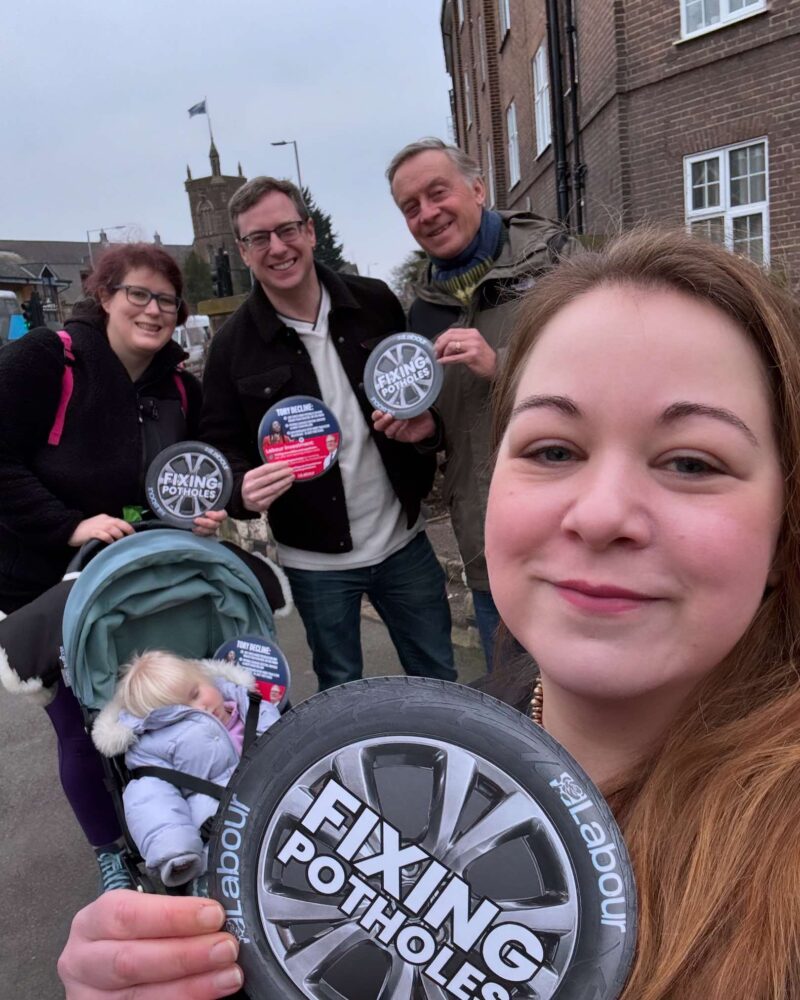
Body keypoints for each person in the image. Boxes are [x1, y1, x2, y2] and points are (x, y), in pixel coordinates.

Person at [57, 228, 800, 998]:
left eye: (691, 462)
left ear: (786, 525)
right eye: (552, 449)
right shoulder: (397, 764)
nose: (602, 512)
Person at [0, 242, 224, 893]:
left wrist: (202, 513)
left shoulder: (182, 386)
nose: (154, 310)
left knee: (156, 710)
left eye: (166, 300)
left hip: (135, 584)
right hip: (42, 587)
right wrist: (70, 525)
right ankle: (110, 853)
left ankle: (178, 826)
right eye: (138, 294)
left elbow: (193, 475)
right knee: (81, 727)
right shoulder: (49, 360)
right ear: (104, 296)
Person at [199, 176, 455, 691]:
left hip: (403, 539)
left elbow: (416, 392)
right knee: (340, 688)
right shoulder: (231, 348)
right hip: (315, 560)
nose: (277, 247)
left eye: (287, 229)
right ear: (243, 252)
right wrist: (242, 487)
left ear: (309, 232)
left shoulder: (375, 300)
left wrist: (427, 431)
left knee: (440, 676)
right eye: (258, 239)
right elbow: (221, 447)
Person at [379, 137, 574, 668]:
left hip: (573, 536)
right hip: (489, 547)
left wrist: (504, 364)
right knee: (514, 711)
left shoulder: (557, 260)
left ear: (477, 188)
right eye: (410, 207)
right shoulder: (421, 312)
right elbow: (456, 425)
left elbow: (617, 360)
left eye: (437, 193)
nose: (428, 213)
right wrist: (428, 429)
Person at [92, 650, 280, 888]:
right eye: (182, 715)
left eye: (196, 693)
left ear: (206, 678)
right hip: (222, 843)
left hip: (281, 805)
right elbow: (151, 800)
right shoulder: (153, 749)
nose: (202, 709)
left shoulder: (253, 709)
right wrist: (175, 849)